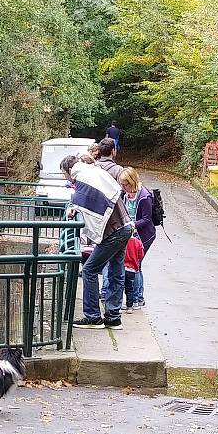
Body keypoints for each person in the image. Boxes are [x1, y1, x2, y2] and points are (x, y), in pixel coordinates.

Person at [60, 155, 133, 330]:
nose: (65, 177)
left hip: (114, 231)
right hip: (125, 226)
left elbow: (84, 200)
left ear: (68, 170)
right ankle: (113, 318)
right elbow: (91, 200)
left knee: (89, 269)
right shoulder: (94, 173)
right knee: (116, 271)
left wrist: (74, 208)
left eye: (63, 173)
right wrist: (76, 206)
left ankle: (93, 317)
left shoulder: (82, 177)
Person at [118, 167, 156, 308]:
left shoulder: (144, 196)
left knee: (136, 266)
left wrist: (132, 225)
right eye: (122, 184)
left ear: (132, 182)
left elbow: (146, 219)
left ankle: (137, 298)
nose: (123, 187)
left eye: (125, 184)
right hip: (130, 234)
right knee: (131, 266)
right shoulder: (124, 194)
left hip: (143, 236)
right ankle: (135, 297)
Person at [95, 138, 125, 300]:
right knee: (117, 264)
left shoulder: (93, 169)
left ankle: (103, 291)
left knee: (99, 258)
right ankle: (112, 301)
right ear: (114, 151)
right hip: (117, 220)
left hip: (98, 219)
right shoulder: (118, 170)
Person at [123, 235, 145, 312]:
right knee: (130, 289)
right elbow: (141, 255)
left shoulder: (122, 240)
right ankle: (130, 306)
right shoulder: (137, 242)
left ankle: (118, 306)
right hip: (132, 269)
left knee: (119, 287)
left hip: (122, 268)